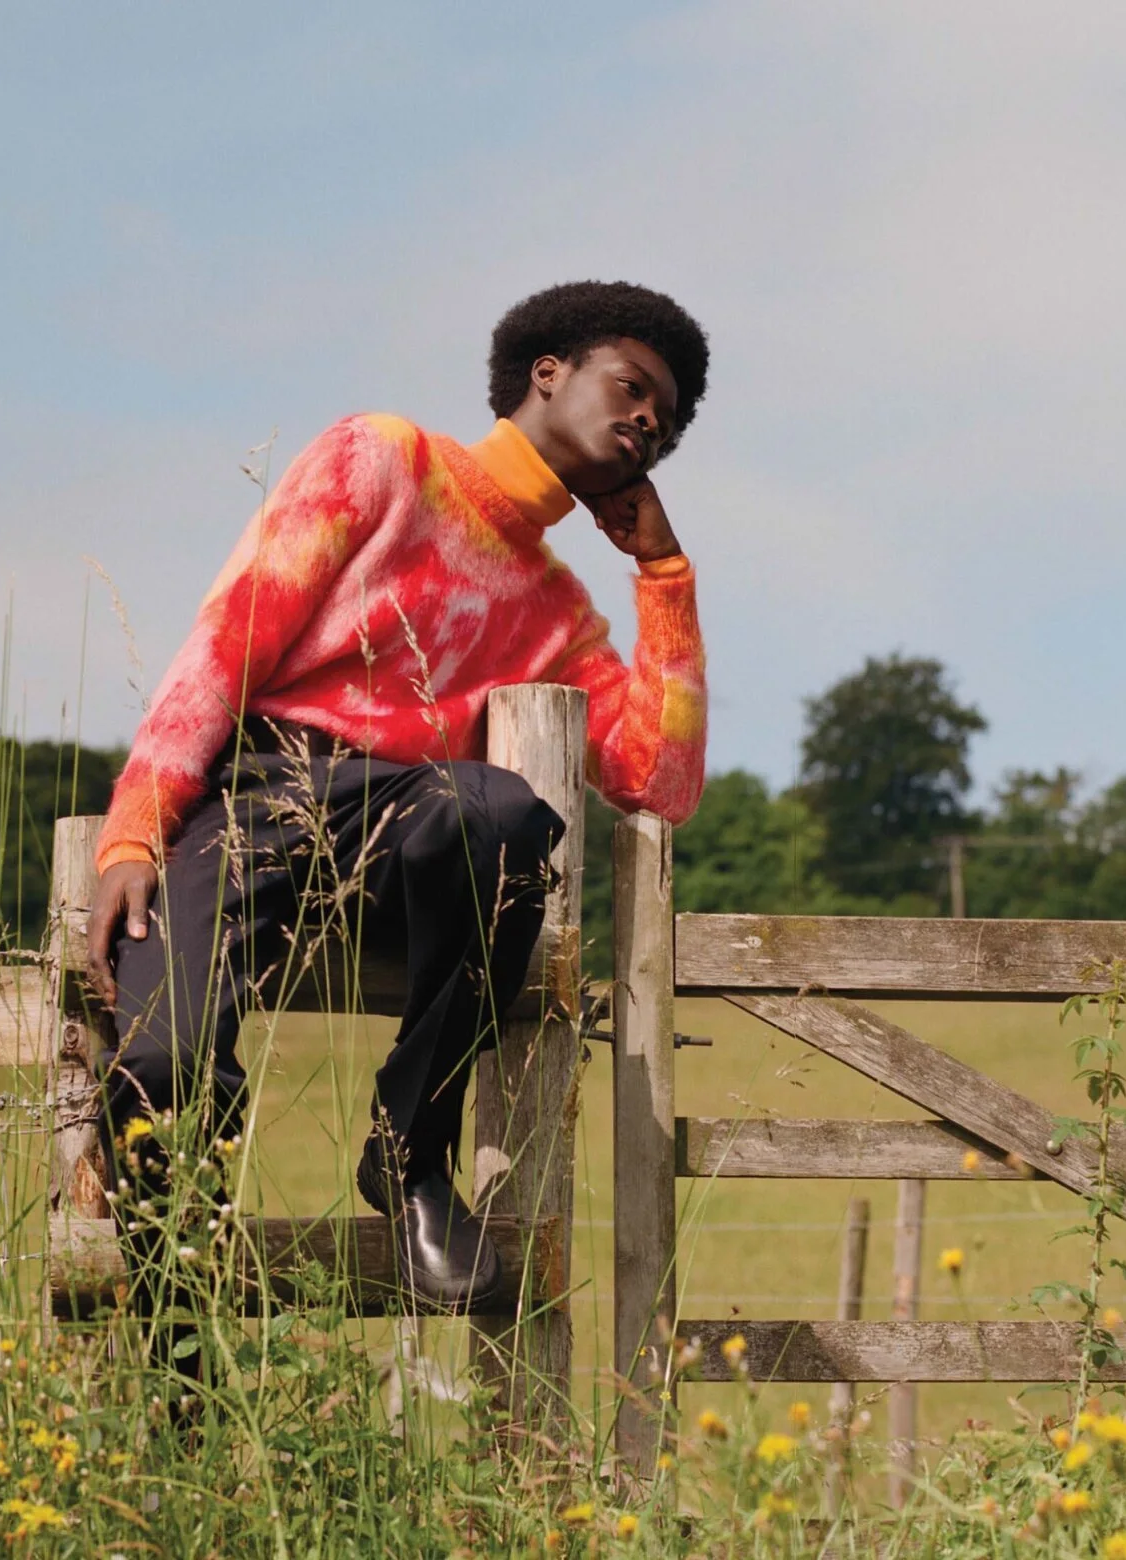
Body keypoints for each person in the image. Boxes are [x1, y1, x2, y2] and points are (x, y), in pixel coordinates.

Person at [82, 280, 710, 1317]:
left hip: (404, 833)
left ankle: (410, 1151)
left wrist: (665, 572)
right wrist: (137, 826)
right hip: (261, 794)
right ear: (547, 372)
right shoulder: (382, 457)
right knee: (161, 1059)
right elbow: (232, 638)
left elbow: (659, 783)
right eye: (633, 387)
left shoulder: (562, 614)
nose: (651, 421)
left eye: (669, 422)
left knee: (499, 813)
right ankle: (178, 1366)